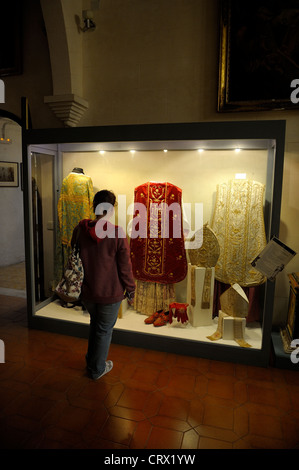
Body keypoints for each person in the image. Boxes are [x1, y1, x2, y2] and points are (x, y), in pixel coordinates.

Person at [71, 190, 135, 380]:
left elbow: (74, 255)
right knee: (103, 330)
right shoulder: (116, 233)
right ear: (112, 208)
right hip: (110, 293)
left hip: (88, 291)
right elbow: (125, 267)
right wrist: (131, 289)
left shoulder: (80, 229)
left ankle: (92, 361)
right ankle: (97, 369)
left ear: (94, 206)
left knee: (95, 326)